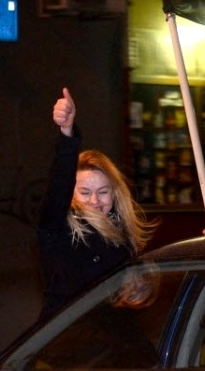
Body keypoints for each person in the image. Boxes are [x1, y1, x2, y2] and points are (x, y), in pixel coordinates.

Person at [36, 88, 157, 315]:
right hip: (66, 336)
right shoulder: (58, 227)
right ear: (71, 194)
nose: (95, 200)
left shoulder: (123, 235)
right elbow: (59, 184)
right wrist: (67, 133)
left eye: (103, 192)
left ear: (115, 193)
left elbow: (142, 292)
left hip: (111, 335)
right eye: (84, 192)